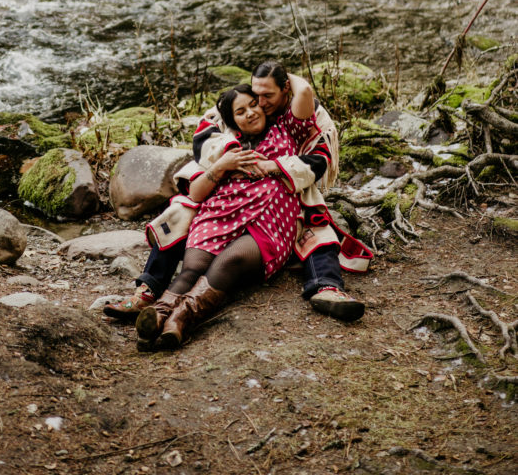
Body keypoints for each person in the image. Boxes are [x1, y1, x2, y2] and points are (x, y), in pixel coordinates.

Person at [104, 61, 370, 327]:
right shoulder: (228, 122)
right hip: (226, 202)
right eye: (255, 97)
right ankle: (150, 292)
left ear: (285, 89)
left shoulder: (291, 119)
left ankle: (325, 286)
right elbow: (205, 151)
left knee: (318, 232)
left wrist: (272, 164)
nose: (259, 105)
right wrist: (223, 164)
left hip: (279, 203)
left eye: (267, 96)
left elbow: (314, 148)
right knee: (179, 214)